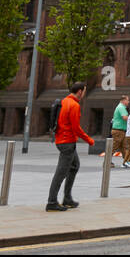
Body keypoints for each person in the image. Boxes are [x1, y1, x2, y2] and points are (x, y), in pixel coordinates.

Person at [47, 81, 94, 212]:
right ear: (80, 92)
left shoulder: (64, 101)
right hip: (67, 143)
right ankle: (51, 202)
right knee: (60, 173)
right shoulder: (74, 105)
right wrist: (89, 140)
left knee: (74, 166)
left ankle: (67, 198)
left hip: (62, 140)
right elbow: (76, 128)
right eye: (84, 91)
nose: (84, 94)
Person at [110, 95, 130, 168]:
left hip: (121, 130)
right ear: (123, 100)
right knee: (114, 147)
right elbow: (125, 117)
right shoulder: (121, 107)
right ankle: (107, 161)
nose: (128, 102)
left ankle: (127, 161)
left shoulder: (121, 107)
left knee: (124, 146)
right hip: (118, 131)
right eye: (127, 100)